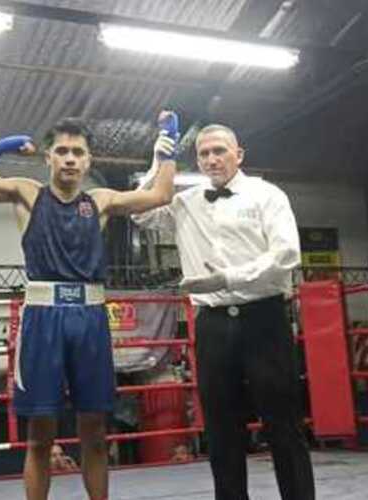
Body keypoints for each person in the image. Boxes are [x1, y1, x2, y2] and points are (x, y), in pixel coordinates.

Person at [0, 113, 178, 500]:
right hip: (43, 320)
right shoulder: (25, 192)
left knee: (96, 433)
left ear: (88, 161)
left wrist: (168, 144)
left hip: (89, 319)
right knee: (39, 437)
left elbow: (160, 196)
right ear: (48, 158)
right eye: (62, 151)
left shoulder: (100, 200)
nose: (70, 159)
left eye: (78, 153)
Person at [132, 124, 315, 500]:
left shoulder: (267, 195)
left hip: (263, 318)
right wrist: (158, 163)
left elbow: (286, 256)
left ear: (239, 154)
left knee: (283, 425)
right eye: (204, 154)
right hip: (213, 325)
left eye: (219, 150)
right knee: (220, 429)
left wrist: (228, 278)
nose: (212, 159)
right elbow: (140, 213)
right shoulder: (186, 201)